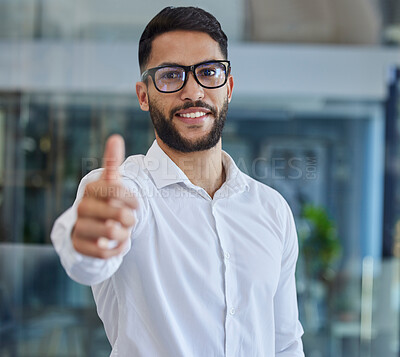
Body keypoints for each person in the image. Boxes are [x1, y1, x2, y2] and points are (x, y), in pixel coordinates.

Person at [51, 6, 304, 357]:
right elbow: (87, 258)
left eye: (209, 72)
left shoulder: (272, 210)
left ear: (228, 87)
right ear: (144, 95)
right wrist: (88, 241)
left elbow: (286, 343)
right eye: (171, 75)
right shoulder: (124, 191)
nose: (192, 91)